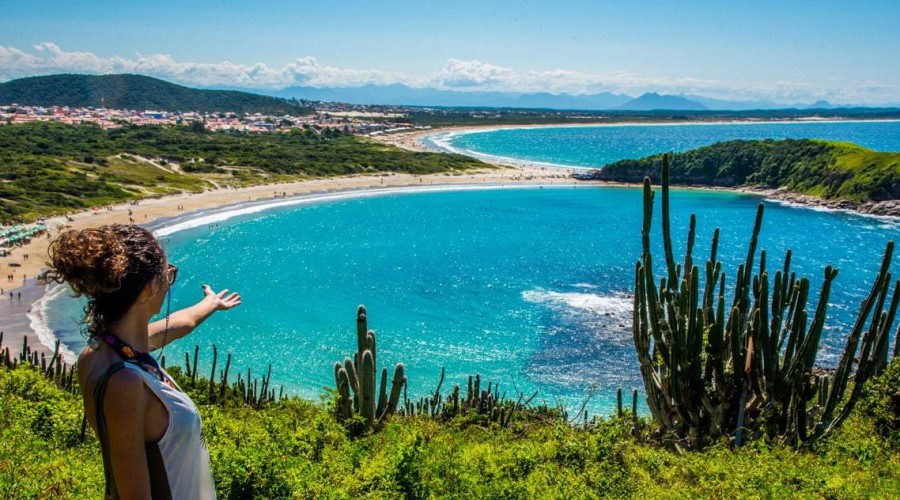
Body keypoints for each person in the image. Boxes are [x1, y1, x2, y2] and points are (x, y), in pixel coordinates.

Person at [41, 224, 241, 499]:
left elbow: (181, 323)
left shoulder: (103, 351)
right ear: (149, 288)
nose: (169, 282)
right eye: (167, 275)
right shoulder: (125, 383)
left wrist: (211, 303)